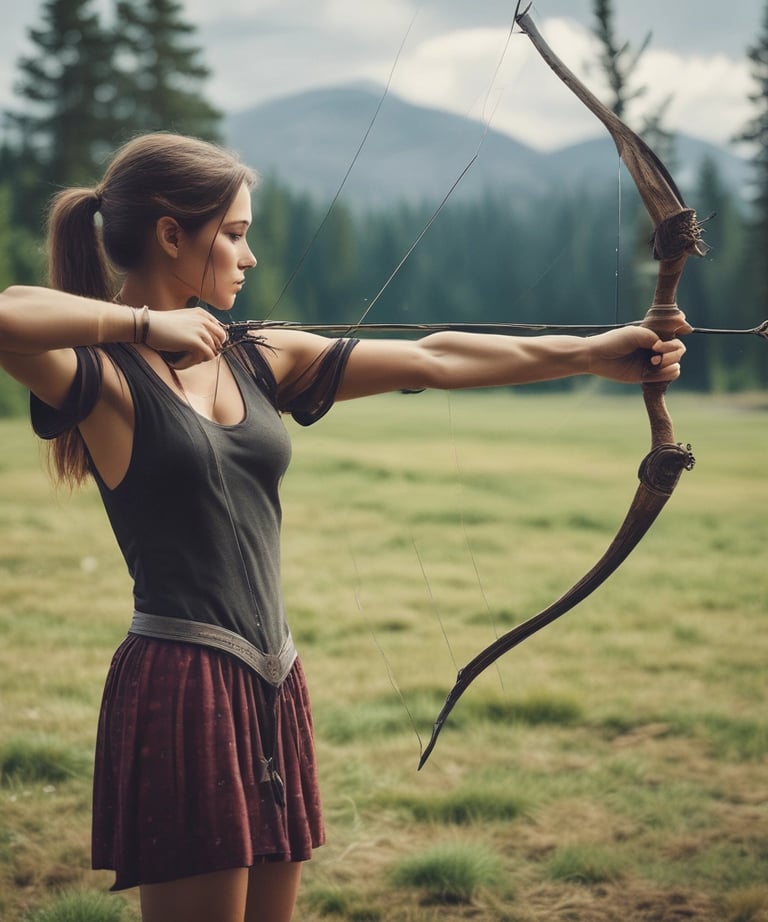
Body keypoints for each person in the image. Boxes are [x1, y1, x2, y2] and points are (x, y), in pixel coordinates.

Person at [0, 133, 685, 922]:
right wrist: (148, 329)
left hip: (273, 676)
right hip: (184, 685)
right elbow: (12, 313)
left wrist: (592, 353)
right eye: (233, 234)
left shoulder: (257, 357)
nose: (248, 255)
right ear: (168, 234)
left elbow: (431, 359)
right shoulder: (99, 376)